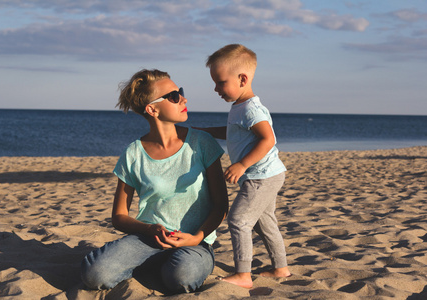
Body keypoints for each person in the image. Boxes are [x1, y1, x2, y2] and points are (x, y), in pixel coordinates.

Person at [81, 69, 229, 294]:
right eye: (174, 96)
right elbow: (119, 216)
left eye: (180, 92)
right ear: (152, 109)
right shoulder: (133, 153)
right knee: (93, 275)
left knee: (181, 277)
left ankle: (161, 266)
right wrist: (150, 229)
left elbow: (221, 205)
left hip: (196, 243)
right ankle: (152, 263)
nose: (183, 99)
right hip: (148, 239)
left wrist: (196, 237)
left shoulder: (202, 143)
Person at [197, 44, 291, 288]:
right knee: (264, 221)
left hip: (261, 176)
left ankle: (243, 274)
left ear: (242, 79)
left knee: (239, 220)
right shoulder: (239, 107)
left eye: (220, 82)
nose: (216, 88)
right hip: (266, 175)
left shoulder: (250, 108)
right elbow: (232, 133)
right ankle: (280, 268)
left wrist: (241, 165)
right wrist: (202, 132)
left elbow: (268, 139)